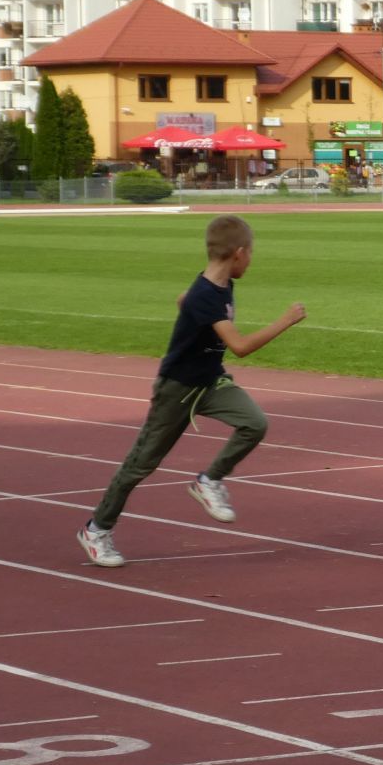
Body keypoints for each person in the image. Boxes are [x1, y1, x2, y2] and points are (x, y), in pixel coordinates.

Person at [75, 216, 305, 567]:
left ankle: (208, 480)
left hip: (210, 381)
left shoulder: (220, 284)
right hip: (177, 389)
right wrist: (285, 321)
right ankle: (96, 529)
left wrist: (190, 313)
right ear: (238, 253)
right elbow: (240, 346)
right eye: (250, 253)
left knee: (254, 423)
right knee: (140, 466)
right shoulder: (207, 294)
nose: (251, 260)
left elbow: (183, 299)